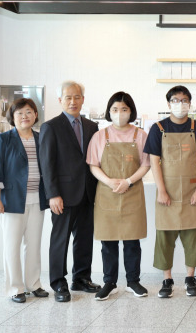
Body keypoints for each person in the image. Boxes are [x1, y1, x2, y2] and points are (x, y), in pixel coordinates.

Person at [143, 86, 196, 298]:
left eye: (184, 100)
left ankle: (190, 278)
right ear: (168, 103)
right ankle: (167, 279)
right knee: (165, 236)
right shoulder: (158, 128)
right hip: (167, 191)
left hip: (192, 190)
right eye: (175, 100)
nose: (180, 104)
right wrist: (161, 190)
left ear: (189, 104)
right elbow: (154, 161)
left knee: (193, 236)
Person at [40, 81, 100, 302]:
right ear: (60, 101)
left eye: (77, 97)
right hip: (62, 195)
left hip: (87, 192)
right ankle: (58, 283)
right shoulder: (51, 126)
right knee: (60, 239)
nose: (73, 101)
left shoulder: (92, 126)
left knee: (84, 238)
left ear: (83, 99)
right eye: (68, 97)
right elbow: (47, 164)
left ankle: (81, 278)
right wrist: (52, 194)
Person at [86, 92, 151, 300]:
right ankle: (109, 282)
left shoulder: (140, 135)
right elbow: (93, 165)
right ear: (109, 112)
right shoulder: (100, 136)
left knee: (132, 241)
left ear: (131, 111)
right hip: (107, 193)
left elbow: (146, 164)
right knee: (109, 241)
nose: (119, 113)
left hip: (132, 191)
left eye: (124, 109)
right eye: (115, 109)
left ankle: (133, 281)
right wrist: (109, 181)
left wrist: (128, 181)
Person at [0, 98, 49, 303]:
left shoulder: (42, 138)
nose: (25, 116)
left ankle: (34, 284)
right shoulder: (2, 140)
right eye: (19, 113)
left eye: (29, 112)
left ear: (35, 115)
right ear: (12, 117)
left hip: (37, 200)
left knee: (33, 245)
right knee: (12, 246)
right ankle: (15, 288)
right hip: (12, 201)